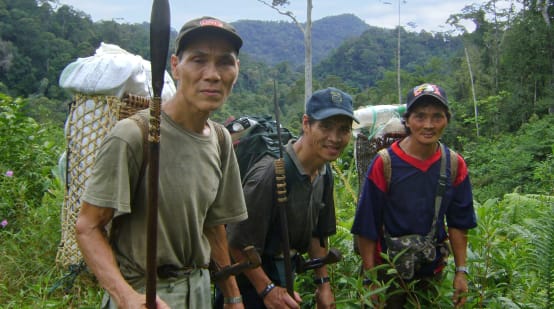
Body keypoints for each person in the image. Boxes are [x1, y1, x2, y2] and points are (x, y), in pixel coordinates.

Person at [75, 16, 248, 308]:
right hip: (146, 294)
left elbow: (213, 224)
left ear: (236, 70)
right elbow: (88, 227)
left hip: (200, 291)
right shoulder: (134, 135)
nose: (212, 74)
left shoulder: (220, 140)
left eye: (224, 62)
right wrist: (125, 296)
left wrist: (233, 295)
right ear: (175, 66)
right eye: (198, 60)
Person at [216, 87, 359, 309]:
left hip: (285, 277)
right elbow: (235, 241)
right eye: (326, 126)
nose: (335, 138)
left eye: (343, 129)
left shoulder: (323, 171)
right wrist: (267, 289)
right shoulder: (273, 173)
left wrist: (323, 284)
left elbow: (317, 234)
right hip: (248, 285)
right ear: (306, 124)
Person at [351, 83, 477, 308]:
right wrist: (371, 280)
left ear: (447, 120)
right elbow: (367, 226)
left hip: (431, 273)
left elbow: (458, 224)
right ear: (407, 121)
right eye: (420, 117)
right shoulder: (385, 164)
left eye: (437, 117)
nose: (428, 125)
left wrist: (461, 271)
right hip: (387, 273)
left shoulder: (454, 165)